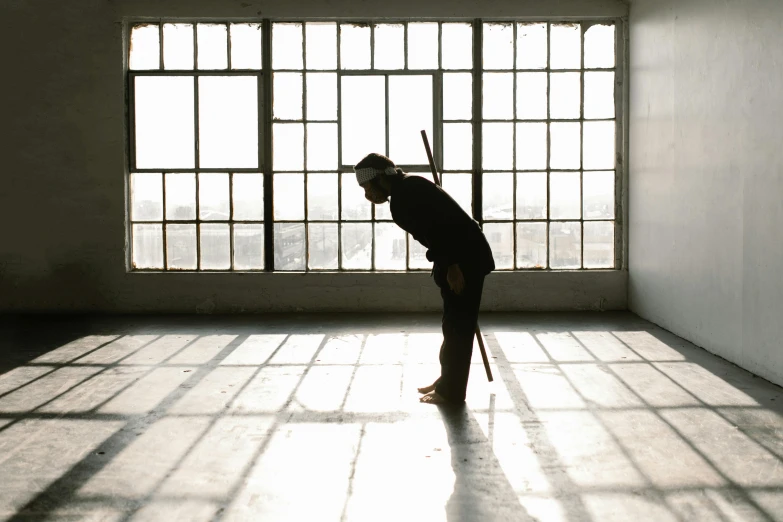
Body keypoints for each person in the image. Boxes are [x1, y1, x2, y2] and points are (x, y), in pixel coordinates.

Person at [354, 153, 495, 404]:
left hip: (465, 261)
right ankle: (446, 380)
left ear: (378, 178)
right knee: (452, 325)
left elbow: (441, 231)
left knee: (458, 327)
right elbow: (436, 231)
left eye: (366, 186)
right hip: (456, 257)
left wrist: (452, 267)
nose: (367, 194)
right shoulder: (407, 188)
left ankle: (451, 392)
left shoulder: (406, 195)